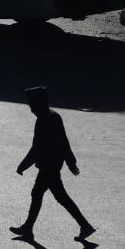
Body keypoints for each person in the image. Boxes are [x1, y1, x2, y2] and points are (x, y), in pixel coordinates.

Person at [10, 86, 95, 241]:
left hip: (48, 165)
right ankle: (29, 228)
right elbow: (64, 141)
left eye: (32, 106)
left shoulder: (43, 120)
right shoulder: (55, 116)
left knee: (46, 195)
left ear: (39, 104)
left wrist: (23, 165)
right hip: (54, 164)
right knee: (50, 195)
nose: (31, 110)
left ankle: (29, 229)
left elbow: (37, 148)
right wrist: (70, 161)